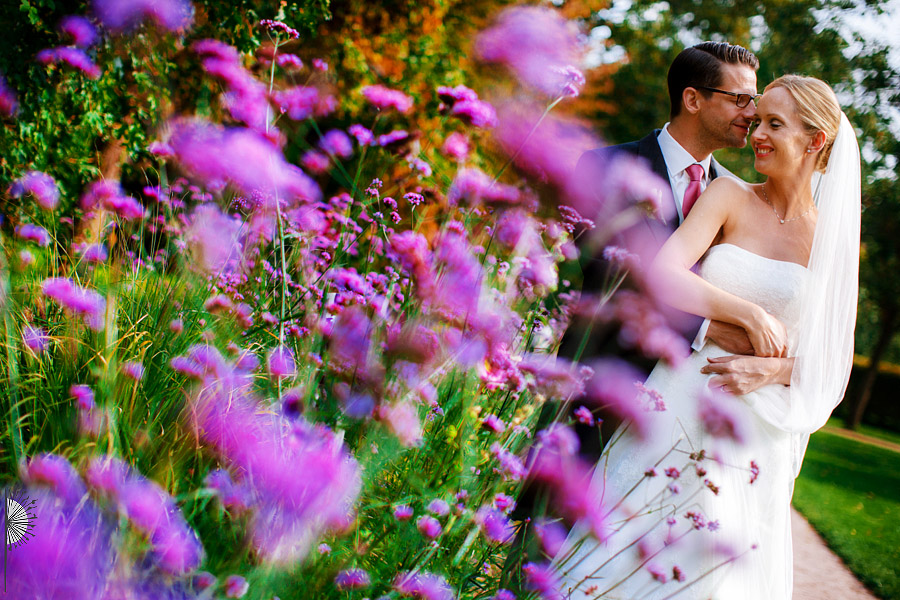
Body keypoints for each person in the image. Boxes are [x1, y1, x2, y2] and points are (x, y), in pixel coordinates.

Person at [554, 75, 860, 600]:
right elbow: (664, 273)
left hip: (758, 431)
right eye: (757, 120)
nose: (756, 134)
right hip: (680, 398)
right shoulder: (728, 194)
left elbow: (831, 358)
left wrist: (773, 369)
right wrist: (748, 314)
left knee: (714, 571)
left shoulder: (829, 241)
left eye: (774, 124)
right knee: (622, 546)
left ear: (815, 140)